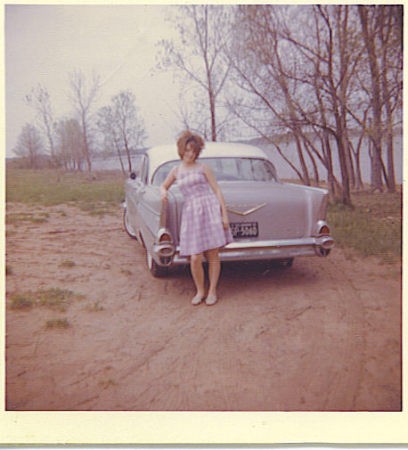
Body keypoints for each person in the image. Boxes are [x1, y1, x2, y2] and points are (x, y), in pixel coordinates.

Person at [160, 131, 233, 306]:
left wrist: (224, 215)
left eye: (193, 151)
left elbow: (216, 190)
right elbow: (164, 185)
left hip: (209, 208)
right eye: (187, 150)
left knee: (213, 254)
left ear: (197, 151)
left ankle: (212, 290)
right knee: (195, 256)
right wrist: (163, 192)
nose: (190, 154)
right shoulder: (176, 170)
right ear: (181, 150)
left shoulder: (203, 168)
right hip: (191, 212)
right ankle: (200, 290)